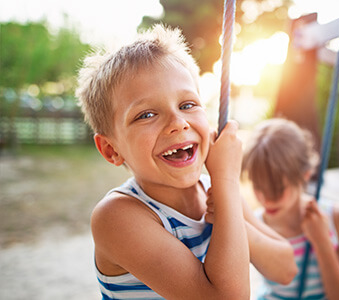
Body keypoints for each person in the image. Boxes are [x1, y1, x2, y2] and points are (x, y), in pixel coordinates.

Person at [76, 24, 296, 299]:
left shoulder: (215, 192)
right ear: (110, 149)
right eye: (146, 115)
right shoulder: (117, 216)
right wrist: (227, 182)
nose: (178, 123)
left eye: (187, 105)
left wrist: (231, 217)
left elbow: (286, 269)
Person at [242, 118, 339, 300]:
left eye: (278, 189)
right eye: (259, 187)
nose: (267, 200)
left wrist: (322, 242)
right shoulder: (256, 225)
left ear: (305, 175)